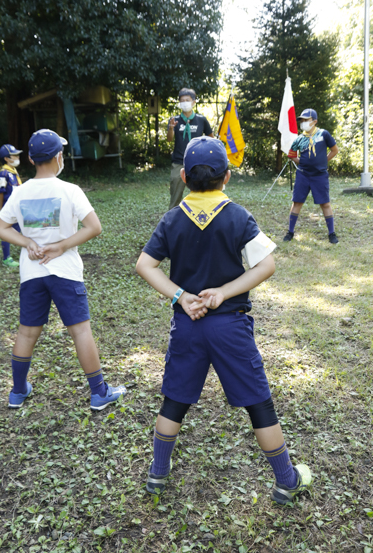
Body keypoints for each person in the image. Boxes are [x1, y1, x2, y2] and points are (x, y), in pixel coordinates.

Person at [136, 136, 312, 505]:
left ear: (184, 176)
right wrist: (225, 292)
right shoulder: (237, 215)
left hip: (187, 325)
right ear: (226, 177)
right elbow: (267, 265)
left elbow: (144, 265)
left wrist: (181, 296)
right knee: (258, 402)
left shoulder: (172, 219)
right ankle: (286, 479)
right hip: (230, 326)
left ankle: (157, 473)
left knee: (174, 400)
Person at [0, 129, 126, 410]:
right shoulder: (70, 190)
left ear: (30, 158)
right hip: (65, 271)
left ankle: (17, 391)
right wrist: (62, 245)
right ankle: (98, 392)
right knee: (80, 331)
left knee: (26, 333)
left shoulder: (20, 192)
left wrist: (27, 241)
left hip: (31, 273)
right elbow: (94, 227)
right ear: (58, 158)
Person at [283, 108, 339, 244]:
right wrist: (301, 162)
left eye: (306, 120)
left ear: (314, 121)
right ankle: (290, 232)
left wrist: (323, 161)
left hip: (319, 176)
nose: (303, 123)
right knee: (297, 202)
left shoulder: (323, 134)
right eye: (301, 121)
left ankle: (331, 233)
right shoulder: (299, 139)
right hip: (303, 175)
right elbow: (291, 154)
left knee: (325, 203)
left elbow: (334, 150)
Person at [167, 88, 213, 209]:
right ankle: (172, 219)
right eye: (182, 100)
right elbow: (169, 139)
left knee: (199, 193)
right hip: (178, 162)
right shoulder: (174, 120)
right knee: (175, 195)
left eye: (187, 100)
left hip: (197, 162)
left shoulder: (201, 119)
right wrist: (171, 128)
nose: (185, 102)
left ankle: (199, 216)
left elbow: (211, 138)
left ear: (193, 102)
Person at [0, 144, 23, 268]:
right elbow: (0, 192)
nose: (17, 157)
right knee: (7, 231)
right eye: (14, 155)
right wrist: (2, 208)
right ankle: (6, 258)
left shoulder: (13, 172)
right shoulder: (3, 174)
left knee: (20, 228)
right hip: (9, 207)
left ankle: (27, 247)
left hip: (18, 206)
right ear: (7, 158)